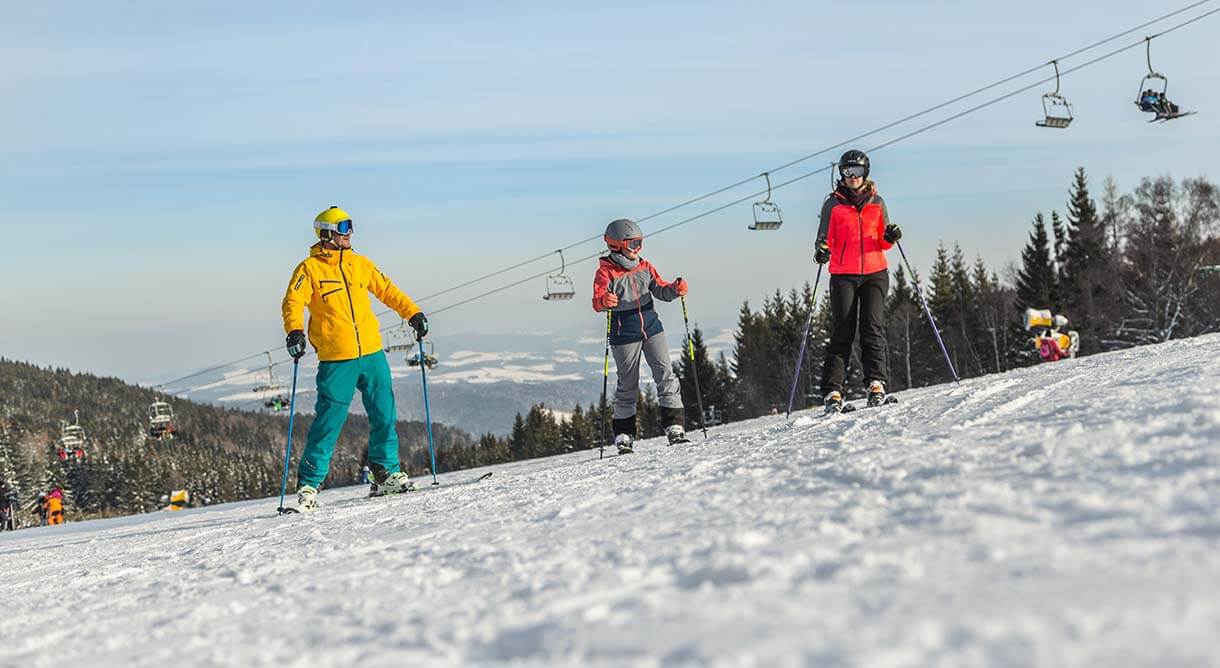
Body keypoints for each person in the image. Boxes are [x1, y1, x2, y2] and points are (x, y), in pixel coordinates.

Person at [281, 206, 428, 511]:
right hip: (337, 358)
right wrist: (295, 331)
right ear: (326, 233)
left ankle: (385, 473)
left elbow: (388, 290)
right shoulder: (309, 269)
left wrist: (412, 313)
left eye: (350, 226)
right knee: (328, 421)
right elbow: (293, 301)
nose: (349, 232)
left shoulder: (361, 265)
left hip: (372, 353)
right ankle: (309, 485)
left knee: (384, 415)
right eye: (343, 227)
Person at [591, 218, 690, 453]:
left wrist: (675, 290)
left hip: (652, 328)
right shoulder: (606, 272)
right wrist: (604, 301)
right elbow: (597, 300)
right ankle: (624, 434)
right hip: (624, 333)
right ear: (617, 245)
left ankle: (674, 427)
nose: (638, 249)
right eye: (633, 244)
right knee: (628, 384)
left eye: (640, 243)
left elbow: (661, 290)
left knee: (666, 375)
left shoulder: (645, 267)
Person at [814, 150, 901, 413]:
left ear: (866, 173)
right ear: (841, 174)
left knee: (872, 328)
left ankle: (876, 383)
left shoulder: (878, 202)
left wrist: (891, 236)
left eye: (858, 172)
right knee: (843, 330)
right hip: (843, 275)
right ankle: (833, 391)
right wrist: (822, 251)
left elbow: (882, 242)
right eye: (847, 172)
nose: (852, 177)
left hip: (875, 272)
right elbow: (822, 239)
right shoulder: (833, 204)